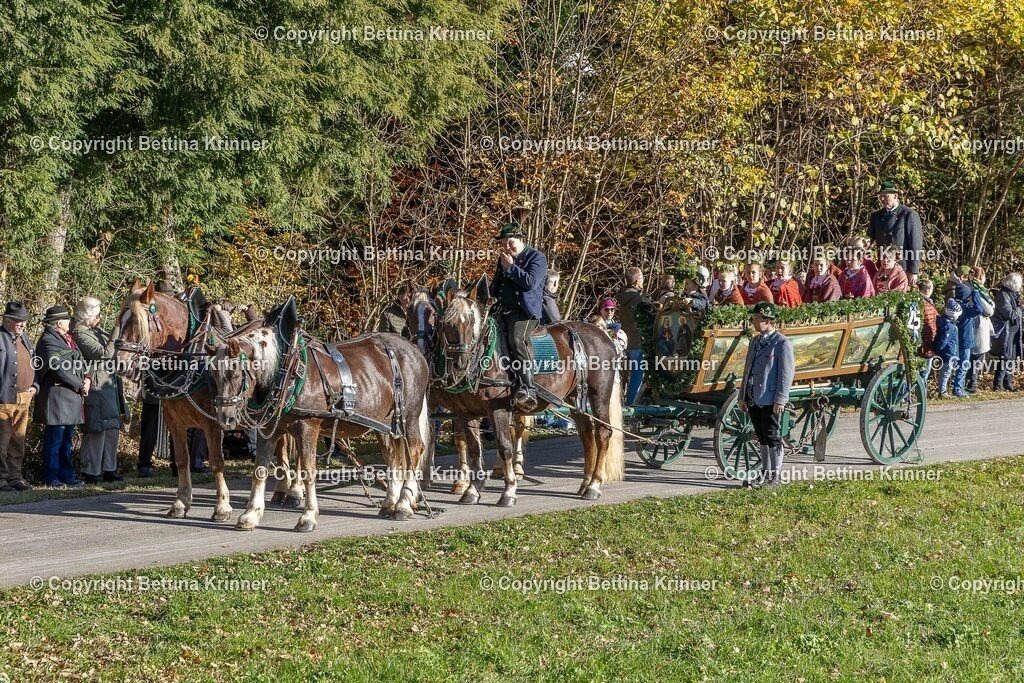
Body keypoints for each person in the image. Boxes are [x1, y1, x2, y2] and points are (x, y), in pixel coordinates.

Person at [489, 221, 548, 411]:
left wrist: (511, 268)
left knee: (516, 339)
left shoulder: (537, 257)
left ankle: (528, 388)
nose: (506, 247)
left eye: (510, 242)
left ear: (520, 239)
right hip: (501, 310)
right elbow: (496, 286)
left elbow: (530, 283)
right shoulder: (504, 259)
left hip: (525, 313)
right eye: (503, 243)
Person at [72, 297, 128, 484]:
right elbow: (104, 353)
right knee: (97, 429)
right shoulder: (79, 333)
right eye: (96, 314)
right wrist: (117, 328)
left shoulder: (96, 331)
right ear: (87, 316)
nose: (100, 317)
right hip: (95, 385)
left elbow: (116, 349)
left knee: (112, 428)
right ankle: (91, 471)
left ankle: (109, 468)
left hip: (109, 384)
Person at [738, 302, 794, 487]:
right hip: (754, 396)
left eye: (756, 318)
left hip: (770, 399)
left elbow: (785, 374)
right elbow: (748, 370)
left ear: (768, 320)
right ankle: (765, 472)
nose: (753, 322)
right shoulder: (755, 341)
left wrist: (781, 399)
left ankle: (775, 476)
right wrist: (743, 396)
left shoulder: (782, 343)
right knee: (761, 435)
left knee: (772, 436)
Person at [34, 305, 89, 488]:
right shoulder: (47, 340)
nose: (69, 322)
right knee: (54, 441)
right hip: (57, 399)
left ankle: (67, 475)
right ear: (59, 323)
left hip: (70, 398)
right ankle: (51, 477)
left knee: (67, 441)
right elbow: (57, 368)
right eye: (67, 320)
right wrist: (79, 384)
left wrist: (87, 378)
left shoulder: (68, 340)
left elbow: (81, 362)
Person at [0, 302, 38, 491]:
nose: (22, 324)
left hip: (24, 397)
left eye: (24, 321)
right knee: (2, 441)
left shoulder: (25, 339)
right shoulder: (0, 338)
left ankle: (15, 477)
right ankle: (1, 479)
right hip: (4, 398)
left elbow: (35, 363)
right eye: (18, 321)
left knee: (18, 440)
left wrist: (35, 385)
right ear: (6, 320)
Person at [868, 180, 924, 284]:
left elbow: (915, 245)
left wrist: (913, 270)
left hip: (903, 267)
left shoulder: (908, 214)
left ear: (895, 196)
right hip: (883, 267)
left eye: (886, 196)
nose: (882, 199)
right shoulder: (876, 216)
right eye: (881, 196)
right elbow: (868, 240)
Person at [615, 267, 652, 405]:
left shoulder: (623, 297)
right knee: (637, 375)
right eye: (642, 279)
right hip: (637, 342)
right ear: (637, 281)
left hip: (625, 342)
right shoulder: (639, 298)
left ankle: (623, 403)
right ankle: (632, 405)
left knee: (625, 376)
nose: (643, 281)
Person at [991, 272, 1023, 391]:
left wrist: (1019, 308)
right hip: (1006, 330)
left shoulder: (1013, 295)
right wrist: (1020, 308)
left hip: (1014, 330)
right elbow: (1009, 314)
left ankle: (1007, 382)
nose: (1020, 286)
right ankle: (998, 384)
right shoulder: (1002, 295)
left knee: (1012, 357)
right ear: (1013, 284)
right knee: (1005, 357)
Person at [965, 267, 994, 393]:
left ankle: (967, 382)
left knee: (968, 356)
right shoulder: (976, 290)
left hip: (970, 326)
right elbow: (989, 310)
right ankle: (972, 384)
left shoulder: (964, 286)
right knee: (976, 358)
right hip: (978, 326)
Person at [952, 283, 983, 397]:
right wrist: (975, 293)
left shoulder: (954, 305)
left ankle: (954, 386)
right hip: (965, 340)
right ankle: (958, 388)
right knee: (963, 365)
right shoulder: (965, 308)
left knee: (955, 365)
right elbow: (979, 309)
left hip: (956, 340)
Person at [934, 299, 961, 398]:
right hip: (949, 353)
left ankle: (943, 389)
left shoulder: (944, 322)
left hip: (948, 352)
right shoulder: (949, 326)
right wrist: (937, 349)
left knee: (946, 372)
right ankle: (942, 391)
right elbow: (943, 340)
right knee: (946, 372)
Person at [917, 279, 938, 386]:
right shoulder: (927, 305)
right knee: (924, 371)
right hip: (926, 343)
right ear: (928, 289)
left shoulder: (916, 301)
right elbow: (930, 325)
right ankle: (922, 395)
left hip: (919, 341)